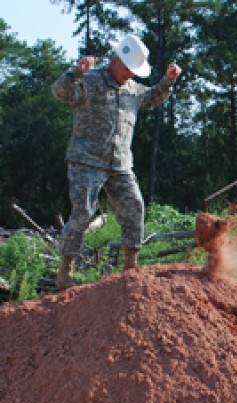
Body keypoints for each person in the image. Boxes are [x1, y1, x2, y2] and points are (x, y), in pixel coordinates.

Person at [52, 34, 183, 289]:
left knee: (134, 207)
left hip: (120, 163)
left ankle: (130, 269)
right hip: (86, 160)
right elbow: (61, 94)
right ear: (114, 60)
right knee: (83, 212)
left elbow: (153, 96)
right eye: (127, 69)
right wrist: (75, 74)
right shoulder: (90, 81)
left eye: (134, 71)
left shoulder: (133, 89)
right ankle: (65, 272)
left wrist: (168, 81)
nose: (130, 75)